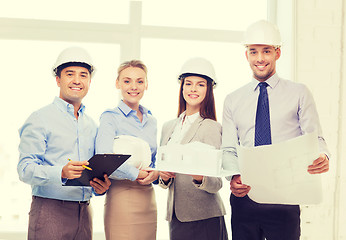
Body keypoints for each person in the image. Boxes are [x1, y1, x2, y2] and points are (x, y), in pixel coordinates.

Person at [221, 19, 330, 240]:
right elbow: (229, 149)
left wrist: (323, 155)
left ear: (277, 53)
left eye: (266, 51)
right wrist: (233, 176)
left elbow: (314, 137)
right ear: (247, 55)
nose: (260, 58)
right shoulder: (233, 100)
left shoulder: (299, 93)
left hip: (286, 199)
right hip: (246, 199)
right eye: (254, 51)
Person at [17, 46, 111, 240]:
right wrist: (60, 172)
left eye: (83, 75)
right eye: (70, 74)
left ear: (90, 82)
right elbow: (24, 169)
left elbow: (92, 170)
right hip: (50, 210)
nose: (77, 80)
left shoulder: (92, 125)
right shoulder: (39, 118)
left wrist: (99, 187)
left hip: (85, 213)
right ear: (58, 80)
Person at [159, 57, 228, 240]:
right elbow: (163, 175)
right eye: (188, 84)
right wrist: (163, 177)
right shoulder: (168, 127)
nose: (193, 89)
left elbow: (217, 183)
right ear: (181, 87)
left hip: (204, 219)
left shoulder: (211, 127)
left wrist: (200, 178)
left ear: (209, 89)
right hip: (176, 218)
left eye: (200, 85)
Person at [95, 60, 159, 240]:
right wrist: (135, 173)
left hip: (148, 200)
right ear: (117, 83)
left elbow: (153, 160)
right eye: (127, 81)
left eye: (140, 81)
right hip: (121, 198)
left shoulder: (151, 121)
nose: (134, 86)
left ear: (146, 84)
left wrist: (155, 174)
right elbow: (103, 159)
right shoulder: (110, 117)